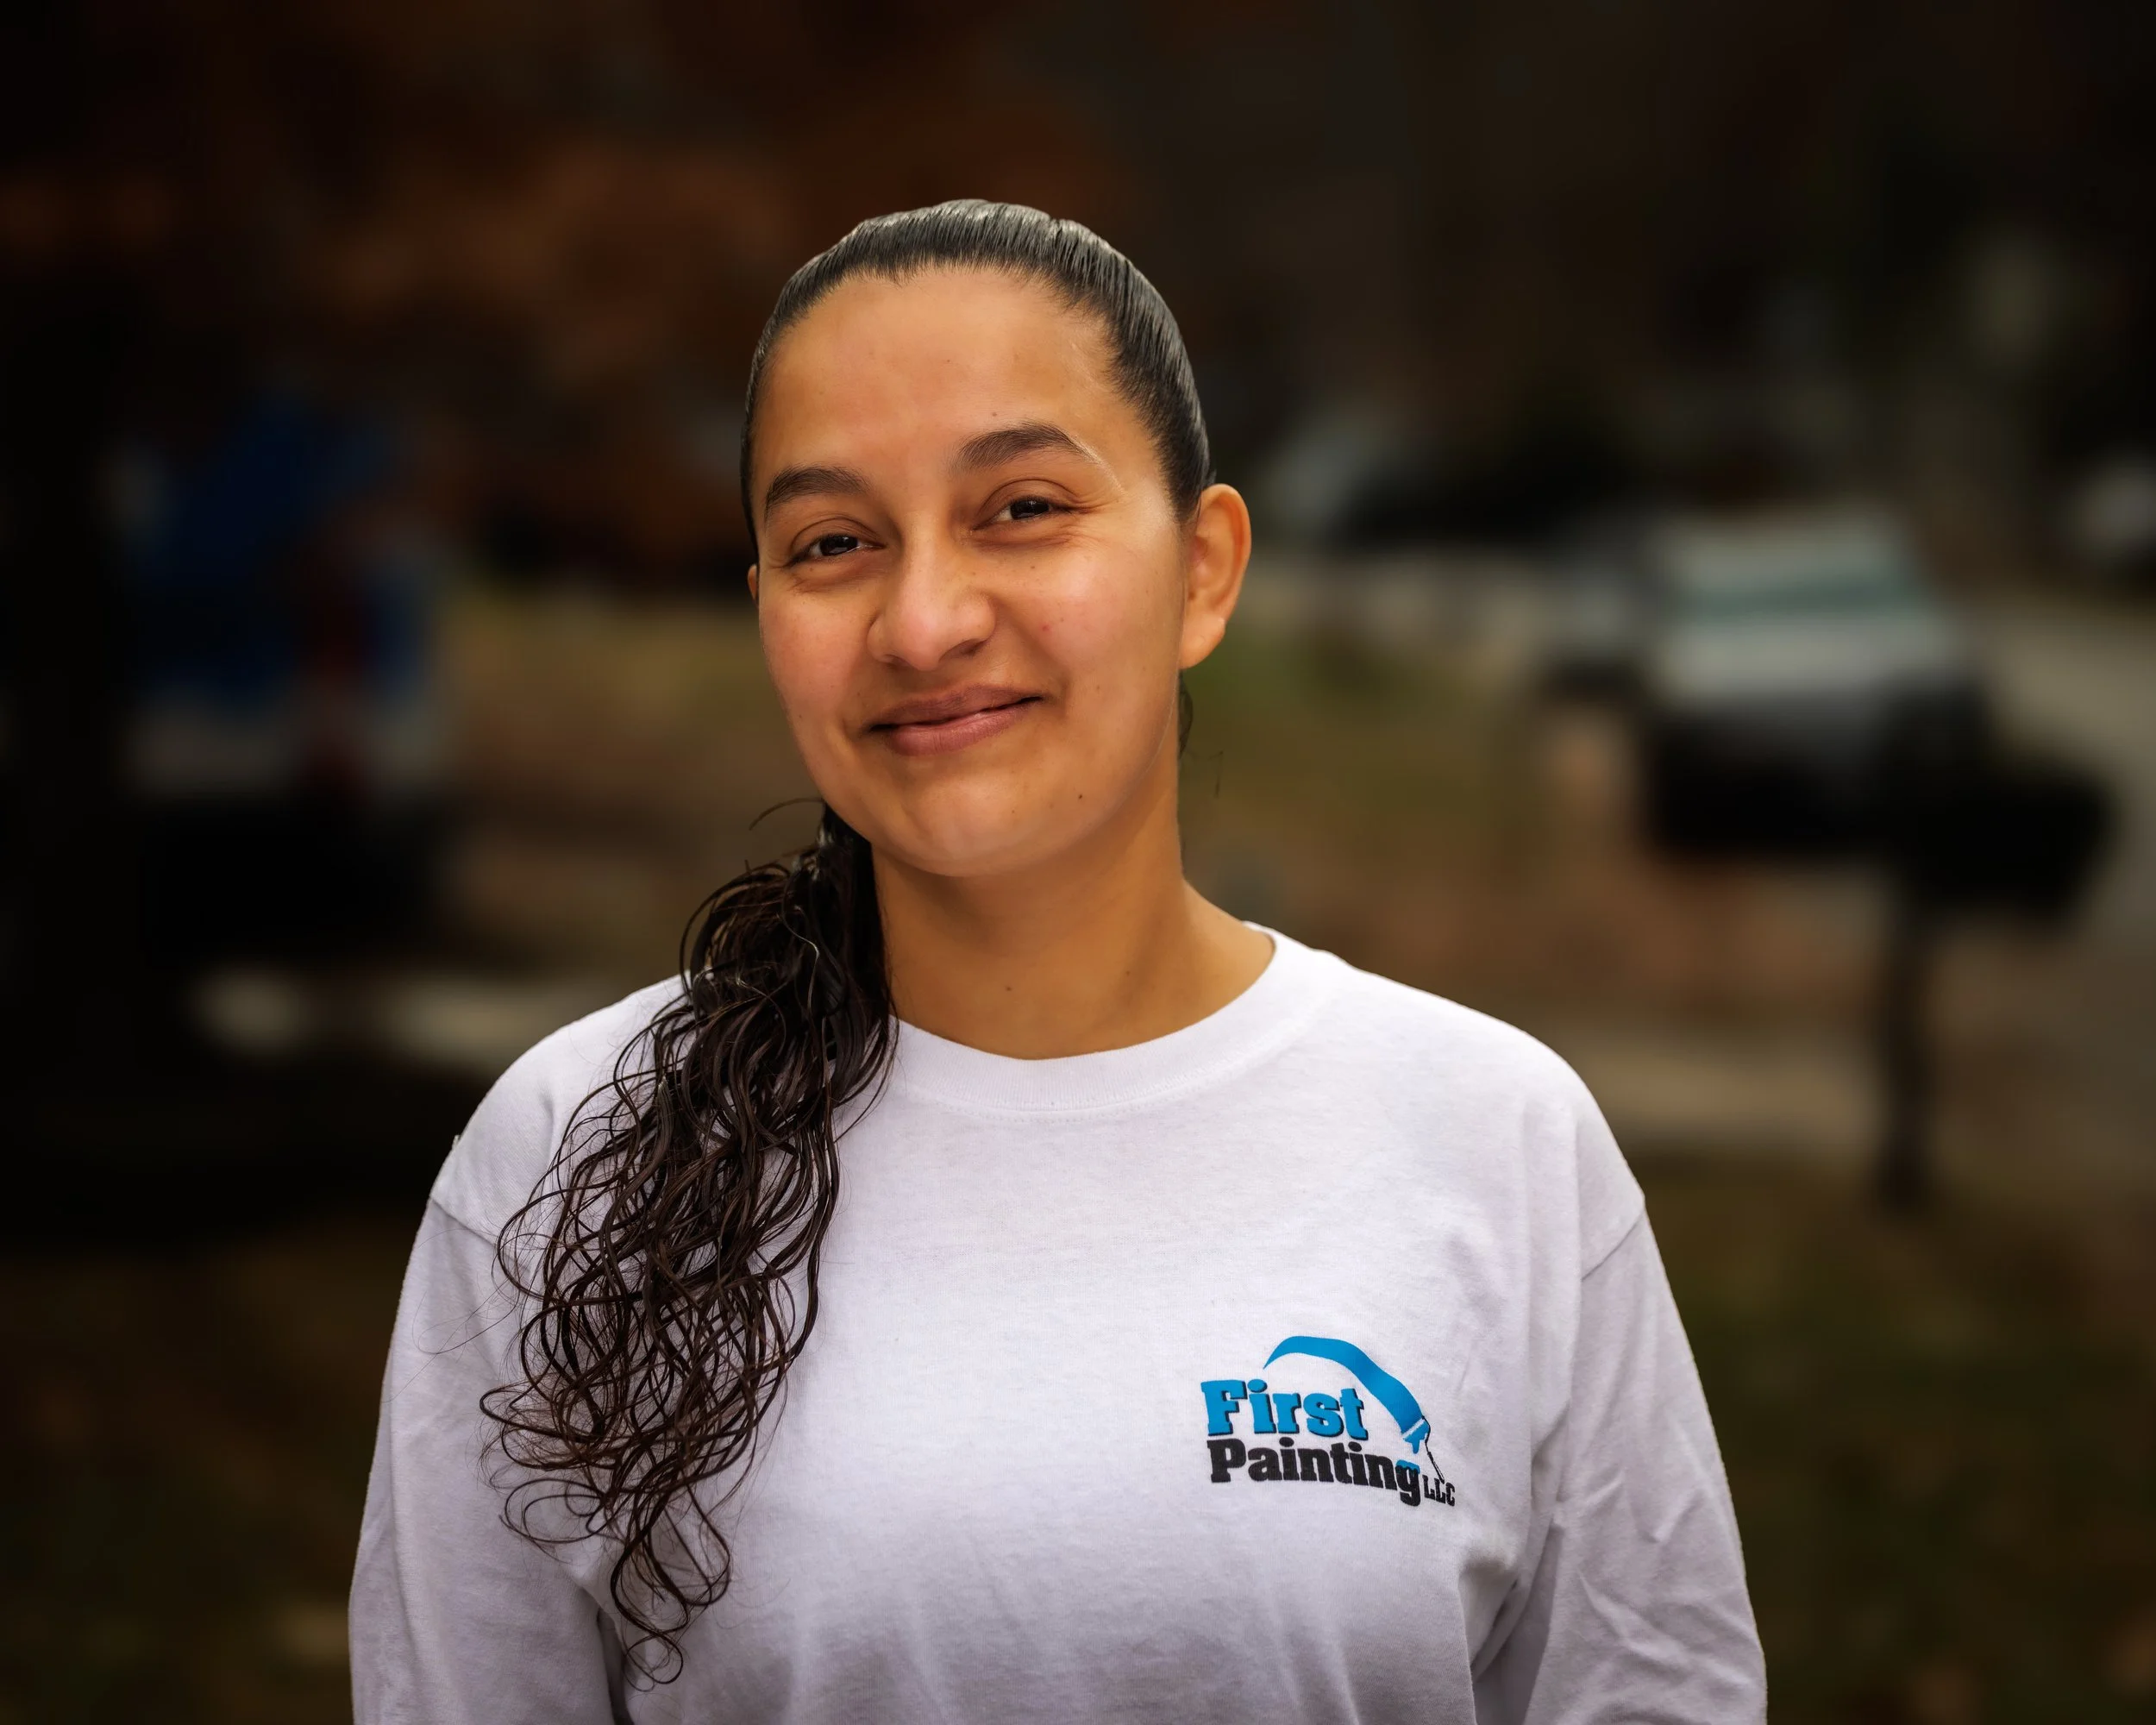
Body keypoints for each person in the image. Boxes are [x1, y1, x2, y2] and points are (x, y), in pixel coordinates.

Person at [351, 200, 1765, 1724]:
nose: (924, 622)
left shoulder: (1496, 1143)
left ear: (1204, 570)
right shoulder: (571, 1160)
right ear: (767, 612)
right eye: (833, 544)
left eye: (1021, 508)